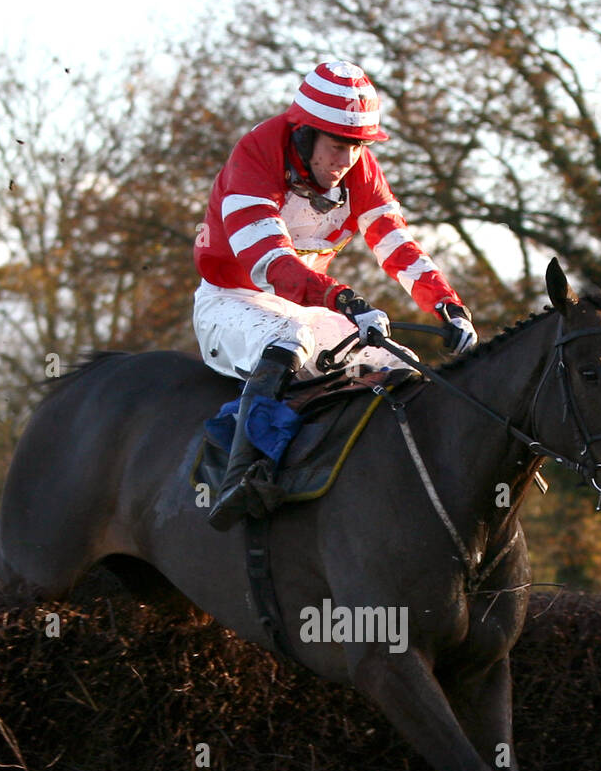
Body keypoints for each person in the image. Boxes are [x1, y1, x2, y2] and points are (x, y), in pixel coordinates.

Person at [193, 58, 479, 529]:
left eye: (358, 147)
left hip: (305, 308)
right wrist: (346, 300)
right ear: (303, 134)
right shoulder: (256, 155)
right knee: (287, 340)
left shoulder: (359, 169)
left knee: (401, 365)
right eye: (338, 145)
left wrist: (445, 303)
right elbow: (269, 263)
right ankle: (241, 477)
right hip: (231, 302)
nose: (346, 162)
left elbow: (395, 242)